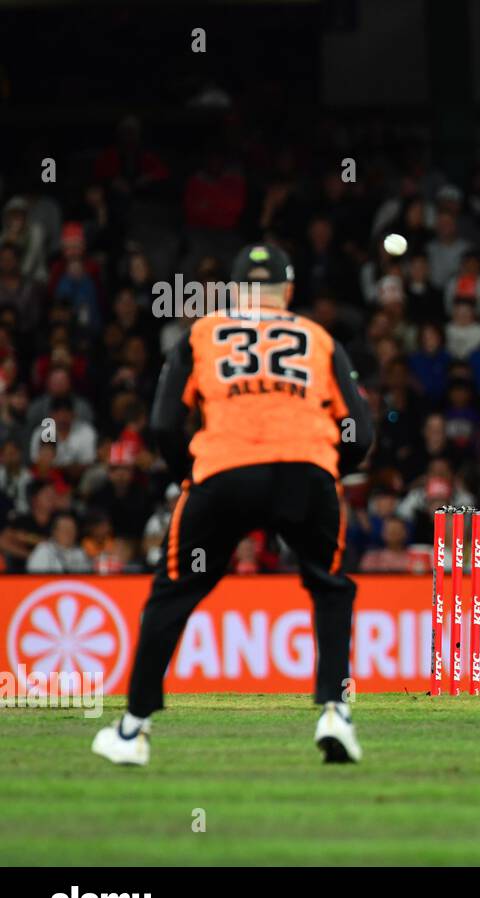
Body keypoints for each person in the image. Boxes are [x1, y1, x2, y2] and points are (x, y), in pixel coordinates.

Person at [93, 243, 374, 767]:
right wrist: (332, 465)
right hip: (306, 472)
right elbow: (360, 428)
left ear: (235, 292)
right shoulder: (318, 338)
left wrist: (187, 477)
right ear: (287, 292)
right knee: (329, 588)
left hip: (223, 471)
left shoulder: (201, 334)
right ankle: (336, 711)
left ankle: (133, 731)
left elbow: (160, 423)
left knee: (173, 591)